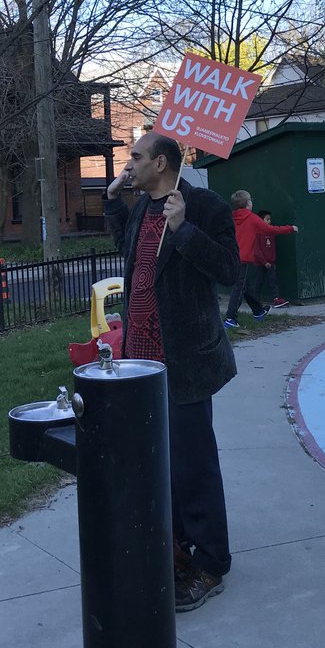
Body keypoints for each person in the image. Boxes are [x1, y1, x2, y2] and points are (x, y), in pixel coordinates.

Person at [104, 132, 240, 611]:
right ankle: (179, 548)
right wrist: (115, 204)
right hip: (140, 361)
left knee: (192, 464)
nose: (129, 162)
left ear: (160, 163)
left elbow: (228, 270)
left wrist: (184, 229)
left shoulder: (203, 205)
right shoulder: (141, 206)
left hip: (184, 360)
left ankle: (210, 563)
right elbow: (131, 254)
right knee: (159, 463)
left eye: (136, 157)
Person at [224, 191, 298, 329]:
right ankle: (230, 318)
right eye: (251, 200)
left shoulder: (231, 217)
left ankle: (258, 312)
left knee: (246, 287)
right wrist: (290, 228)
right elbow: (269, 229)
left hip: (232, 256)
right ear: (247, 204)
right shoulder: (251, 218)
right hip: (243, 258)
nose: (252, 202)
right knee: (239, 288)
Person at [248, 209, 290, 309]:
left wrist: (270, 260)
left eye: (270, 219)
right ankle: (255, 301)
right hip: (260, 263)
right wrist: (264, 261)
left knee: (272, 280)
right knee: (259, 281)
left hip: (270, 263)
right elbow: (256, 250)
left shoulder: (271, 232)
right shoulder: (257, 233)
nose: (269, 221)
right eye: (267, 219)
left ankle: (276, 299)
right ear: (260, 220)